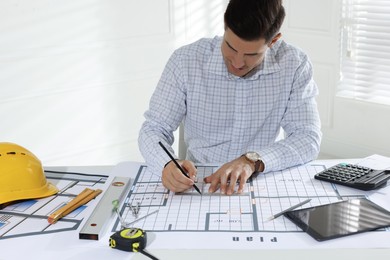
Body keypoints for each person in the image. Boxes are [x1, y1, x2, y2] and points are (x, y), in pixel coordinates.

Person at [138, 0, 322, 196]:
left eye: (251, 54)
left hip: (261, 180)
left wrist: (252, 161)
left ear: (273, 41)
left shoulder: (294, 64)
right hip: (199, 182)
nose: (237, 62)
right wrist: (166, 164)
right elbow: (154, 129)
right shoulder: (185, 61)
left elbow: (307, 138)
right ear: (224, 27)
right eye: (231, 47)